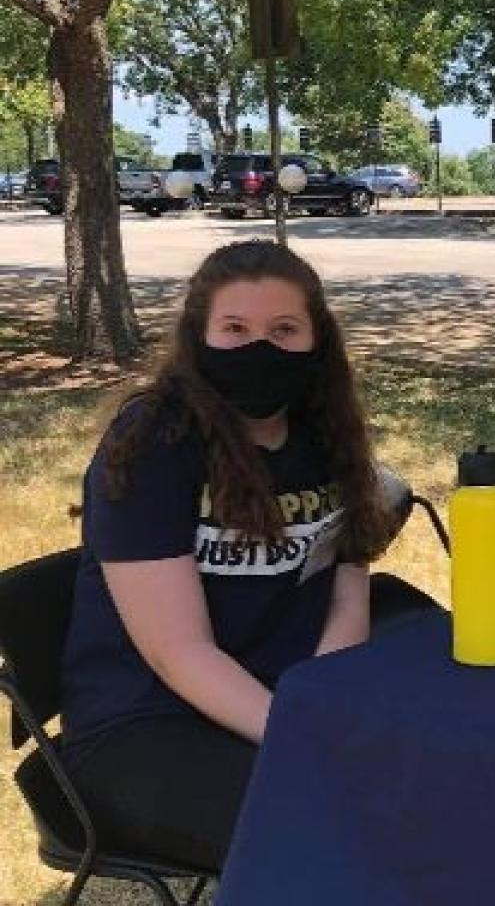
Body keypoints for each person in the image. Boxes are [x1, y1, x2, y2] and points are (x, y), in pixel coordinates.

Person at [60, 240, 417, 871]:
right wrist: (302, 733)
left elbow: (345, 591)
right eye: (234, 329)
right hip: (145, 725)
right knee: (336, 836)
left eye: (284, 330)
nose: (260, 349)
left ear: (317, 342)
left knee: (437, 789)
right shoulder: (153, 443)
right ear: (199, 337)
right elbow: (180, 653)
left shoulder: (326, 436)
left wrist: (326, 706)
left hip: (283, 695)